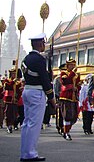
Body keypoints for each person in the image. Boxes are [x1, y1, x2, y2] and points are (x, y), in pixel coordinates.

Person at [20, 32, 56, 162]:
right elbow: (45, 80)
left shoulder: (26, 59)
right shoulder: (40, 60)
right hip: (37, 93)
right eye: (43, 43)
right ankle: (30, 154)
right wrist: (51, 97)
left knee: (27, 123)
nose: (44, 45)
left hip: (28, 90)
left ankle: (25, 151)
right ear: (40, 44)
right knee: (34, 125)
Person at [59, 58, 81, 140]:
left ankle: (67, 129)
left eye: (73, 65)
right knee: (67, 115)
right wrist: (72, 73)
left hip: (74, 97)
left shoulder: (77, 75)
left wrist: (77, 88)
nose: (72, 66)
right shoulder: (63, 73)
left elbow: (78, 84)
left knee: (74, 116)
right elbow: (66, 82)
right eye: (71, 65)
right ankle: (66, 132)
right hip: (66, 97)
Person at [3, 68, 20, 134]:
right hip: (8, 99)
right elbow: (7, 87)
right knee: (8, 113)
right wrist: (13, 82)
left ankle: (13, 124)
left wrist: (17, 96)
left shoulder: (17, 82)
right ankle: (8, 125)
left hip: (14, 100)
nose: (14, 75)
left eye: (14, 73)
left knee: (14, 114)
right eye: (13, 73)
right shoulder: (7, 81)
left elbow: (18, 91)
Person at [53, 63, 65, 135]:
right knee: (59, 113)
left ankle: (65, 126)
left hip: (66, 98)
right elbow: (56, 90)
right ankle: (59, 126)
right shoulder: (57, 79)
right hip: (59, 97)